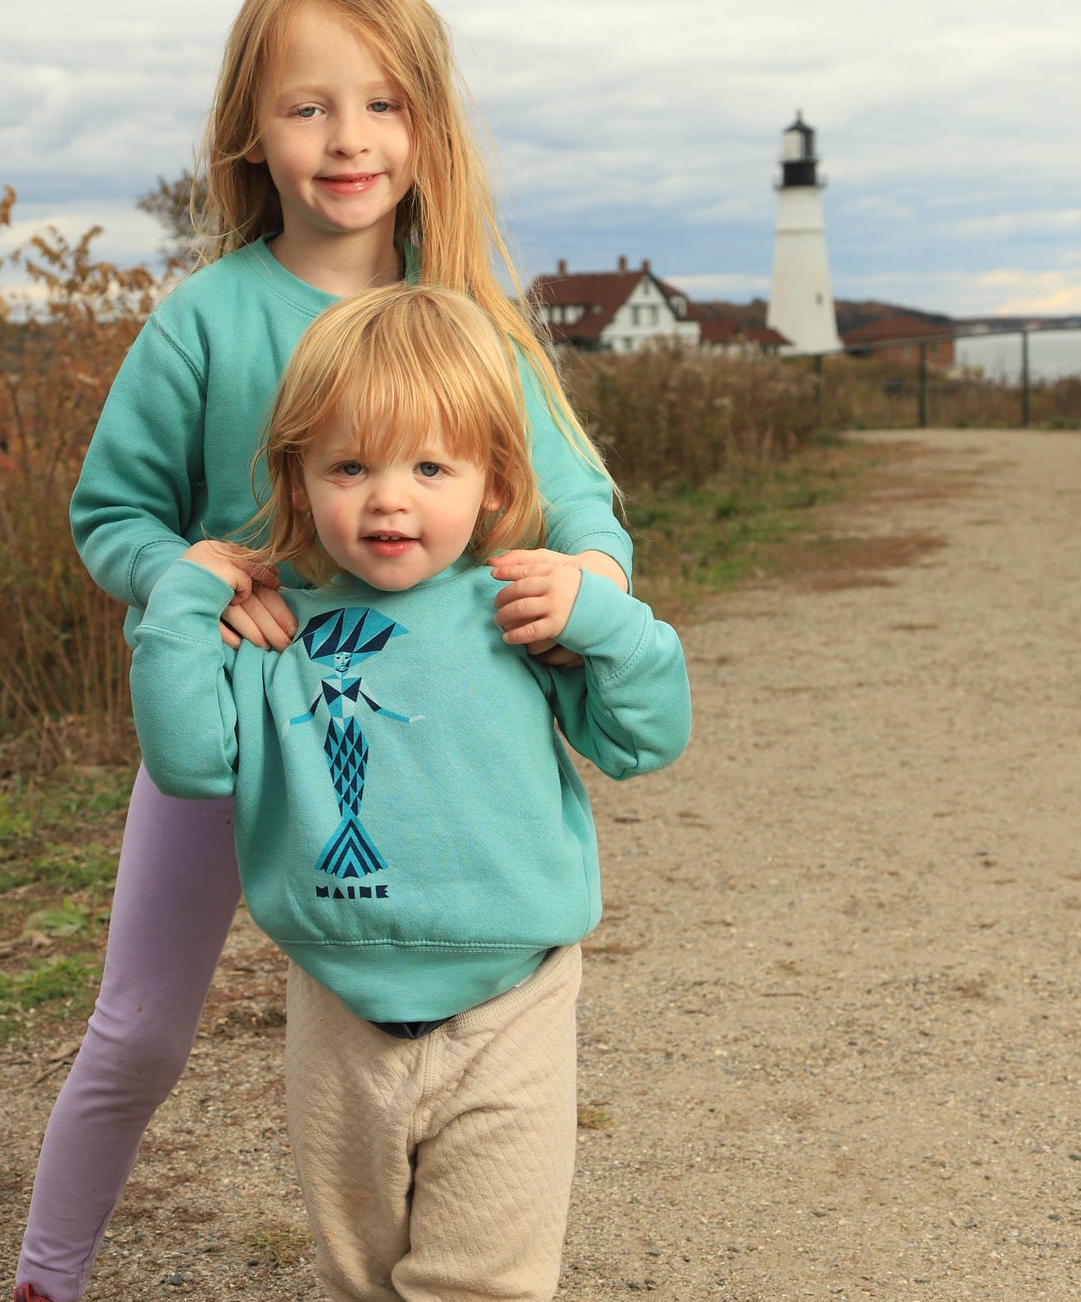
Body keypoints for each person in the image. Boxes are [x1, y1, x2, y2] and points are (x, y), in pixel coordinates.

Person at [13, 0, 635, 1302]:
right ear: (251, 127)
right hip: (234, 715)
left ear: (428, 120)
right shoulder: (205, 320)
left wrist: (583, 585)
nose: (347, 138)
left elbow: (581, 512)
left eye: (381, 102)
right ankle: (44, 1277)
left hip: (407, 749)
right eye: (307, 105)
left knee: (439, 1033)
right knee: (138, 1031)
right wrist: (200, 570)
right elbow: (109, 515)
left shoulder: (472, 322)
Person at [130, 284, 690, 1302]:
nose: (389, 497)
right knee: (362, 1277)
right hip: (337, 1009)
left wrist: (603, 614)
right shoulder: (273, 630)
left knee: (482, 1281)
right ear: (297, 482)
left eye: (429, 465)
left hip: (510, 999)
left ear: (490, 481)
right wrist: (179, 599)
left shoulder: (519, 605)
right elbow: (190, 761)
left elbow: (646, 737)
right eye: (349, 465)